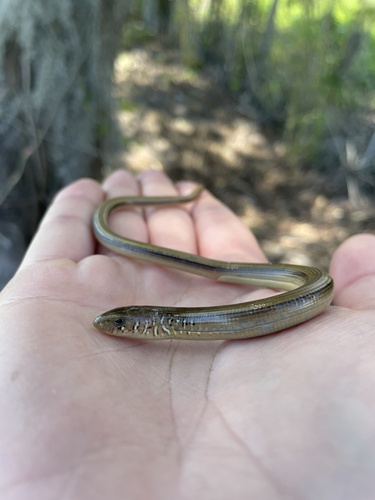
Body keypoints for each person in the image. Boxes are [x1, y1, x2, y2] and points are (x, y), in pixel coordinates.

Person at [0, 169, 374, 500]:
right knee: (215, 268)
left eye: (121, 325)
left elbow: (308, 287)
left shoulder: (169, 324)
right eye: (119, 324)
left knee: (218, 268)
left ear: (146, 325)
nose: (112, 328)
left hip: (298, 291)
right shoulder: (165, 325)